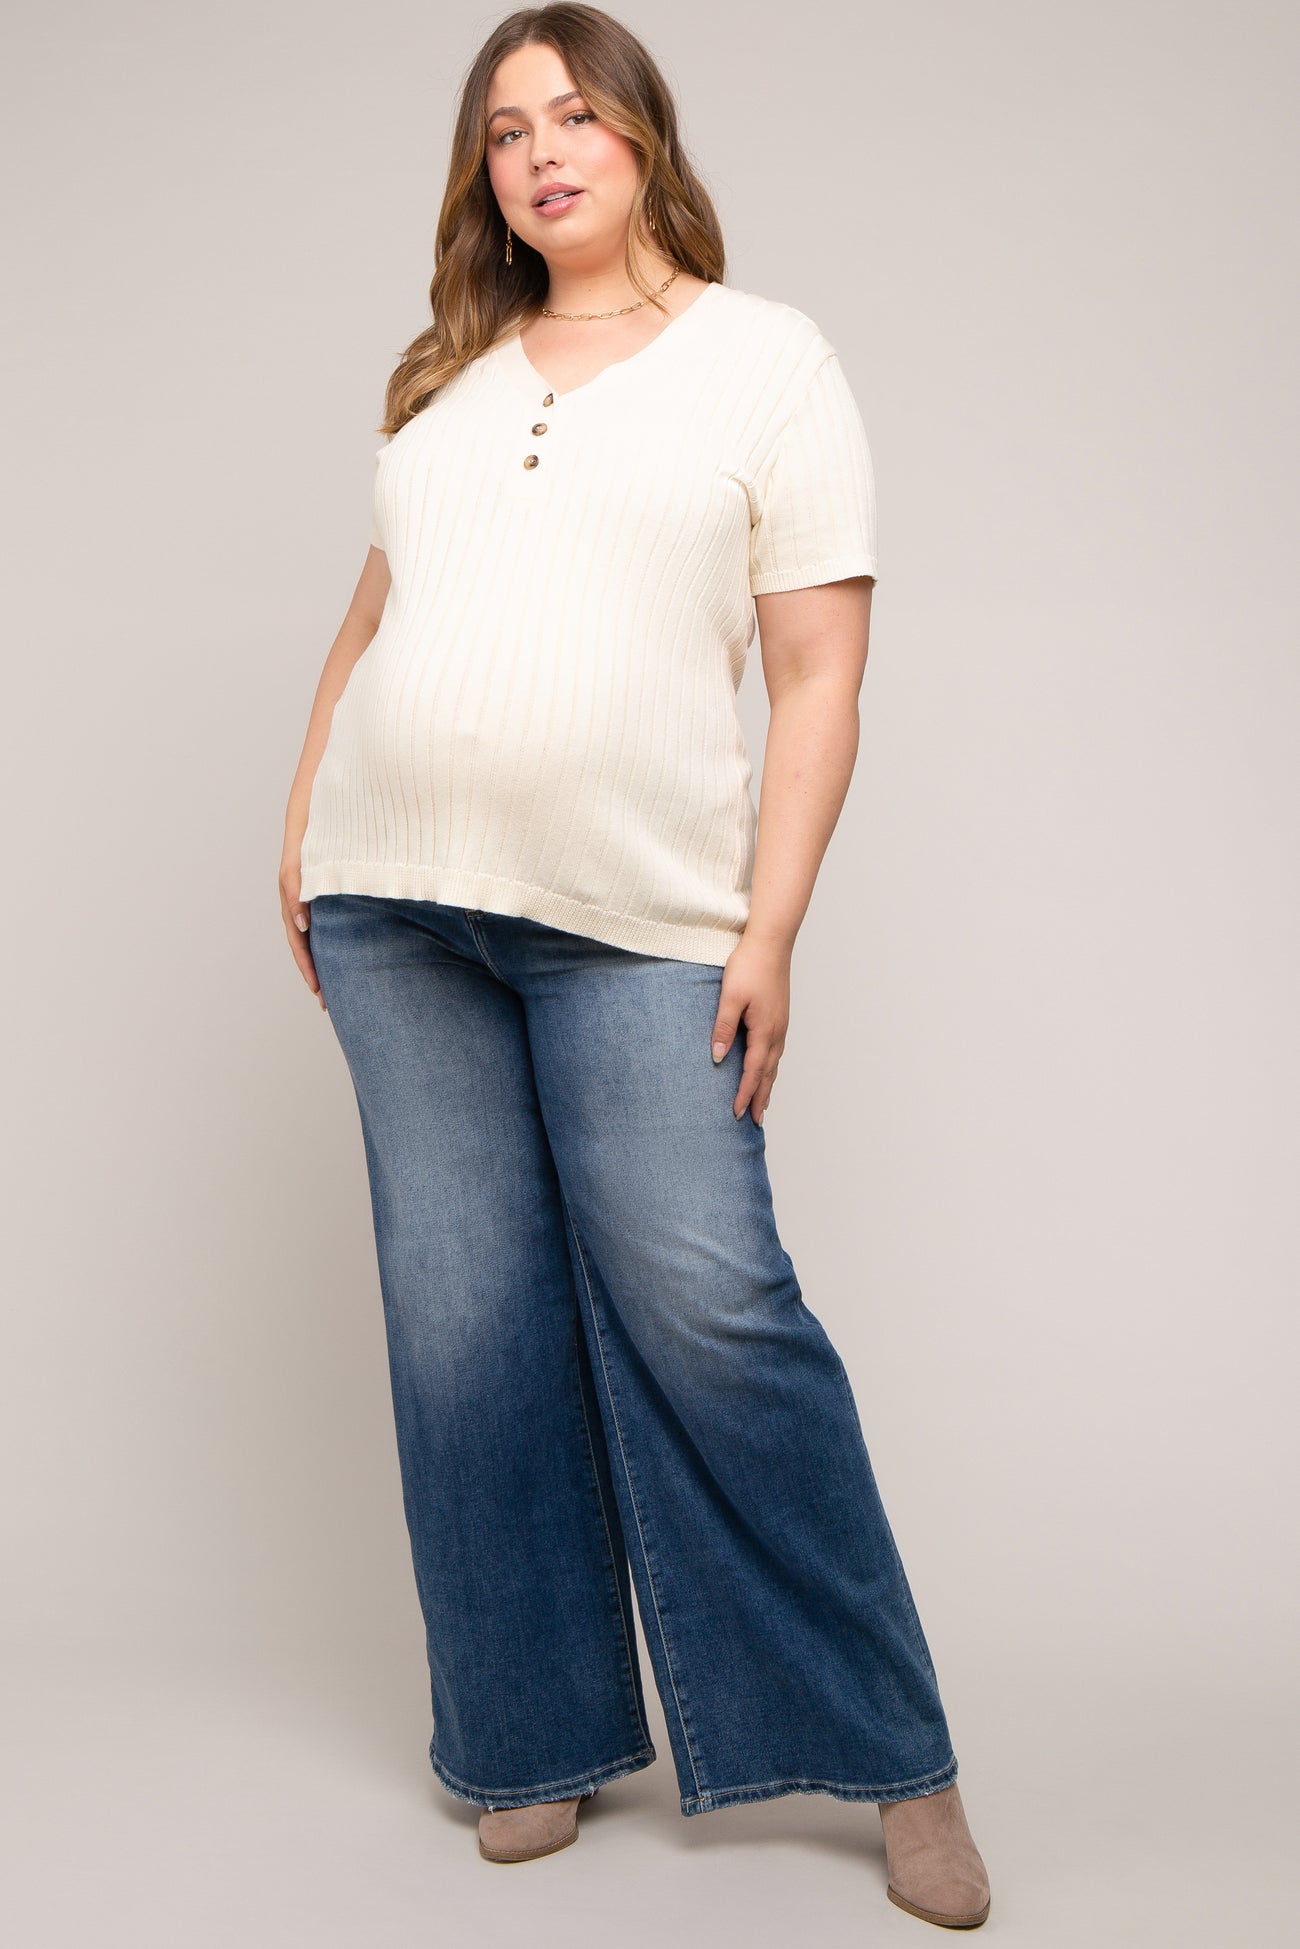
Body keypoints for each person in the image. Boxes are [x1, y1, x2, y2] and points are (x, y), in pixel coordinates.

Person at [279, 4, 991, 1930]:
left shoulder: (768, 361)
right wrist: (304, 813)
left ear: (643, 138)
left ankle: (894, 1753)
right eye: (507, 128)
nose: (542, 152)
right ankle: (528, 1733)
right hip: (394, 905)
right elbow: (376, 614)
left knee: (712, 1306)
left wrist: (772, 927)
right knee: (463, 1326)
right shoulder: (445, 375)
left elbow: (819, 672)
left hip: (640, 922)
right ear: (484, 173)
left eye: (576, 114)